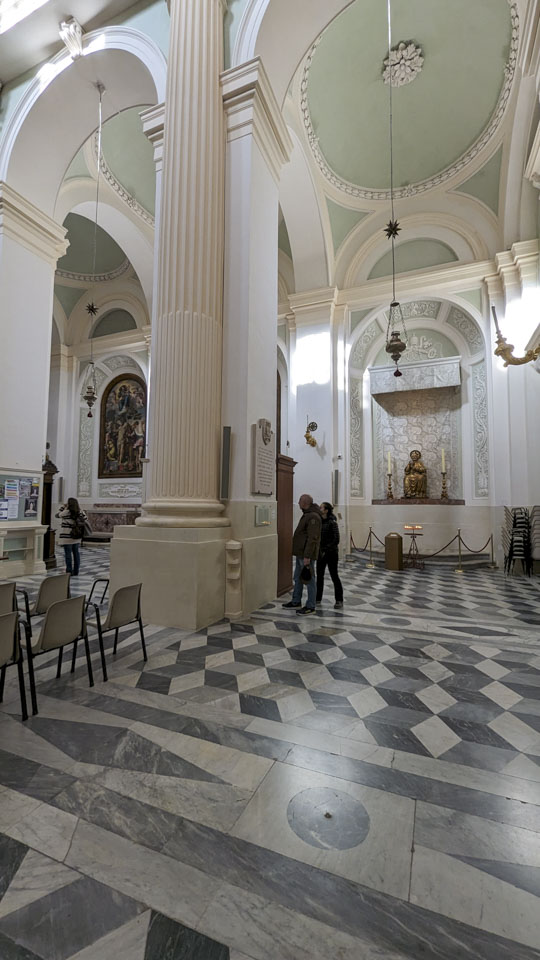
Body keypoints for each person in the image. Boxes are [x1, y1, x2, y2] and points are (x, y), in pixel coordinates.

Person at [282, 493, 322, 615]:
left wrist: (307, 556)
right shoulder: (307, 515)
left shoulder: (313, 517)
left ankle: (311, 606)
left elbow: (312, 538)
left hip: (306, 555)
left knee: (309, 579)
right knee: (297, 578)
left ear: (305, 503)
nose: (298, 502)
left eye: (300, 500)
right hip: (301, 554)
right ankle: (296, 601)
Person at [316, 502, 343, 609]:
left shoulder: (332, 522)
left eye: (321, 507)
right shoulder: (319, 521)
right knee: (319, 576)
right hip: (320, 553)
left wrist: (326, 549)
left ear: (326, 510)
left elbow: (336, 539)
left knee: (334, 576)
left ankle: (339, 600)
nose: (319, 508)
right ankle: (318, 598)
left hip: (331, 553)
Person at [55, 497, 87, 576]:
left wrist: (63, 507)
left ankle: (69, 571)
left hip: (67, 536)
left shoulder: (66, 512)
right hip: (76, 536)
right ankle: (76, 571)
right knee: (76, 554)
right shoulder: (80, 512)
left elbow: (57, 515)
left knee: (68, 554)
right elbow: (85, 519)